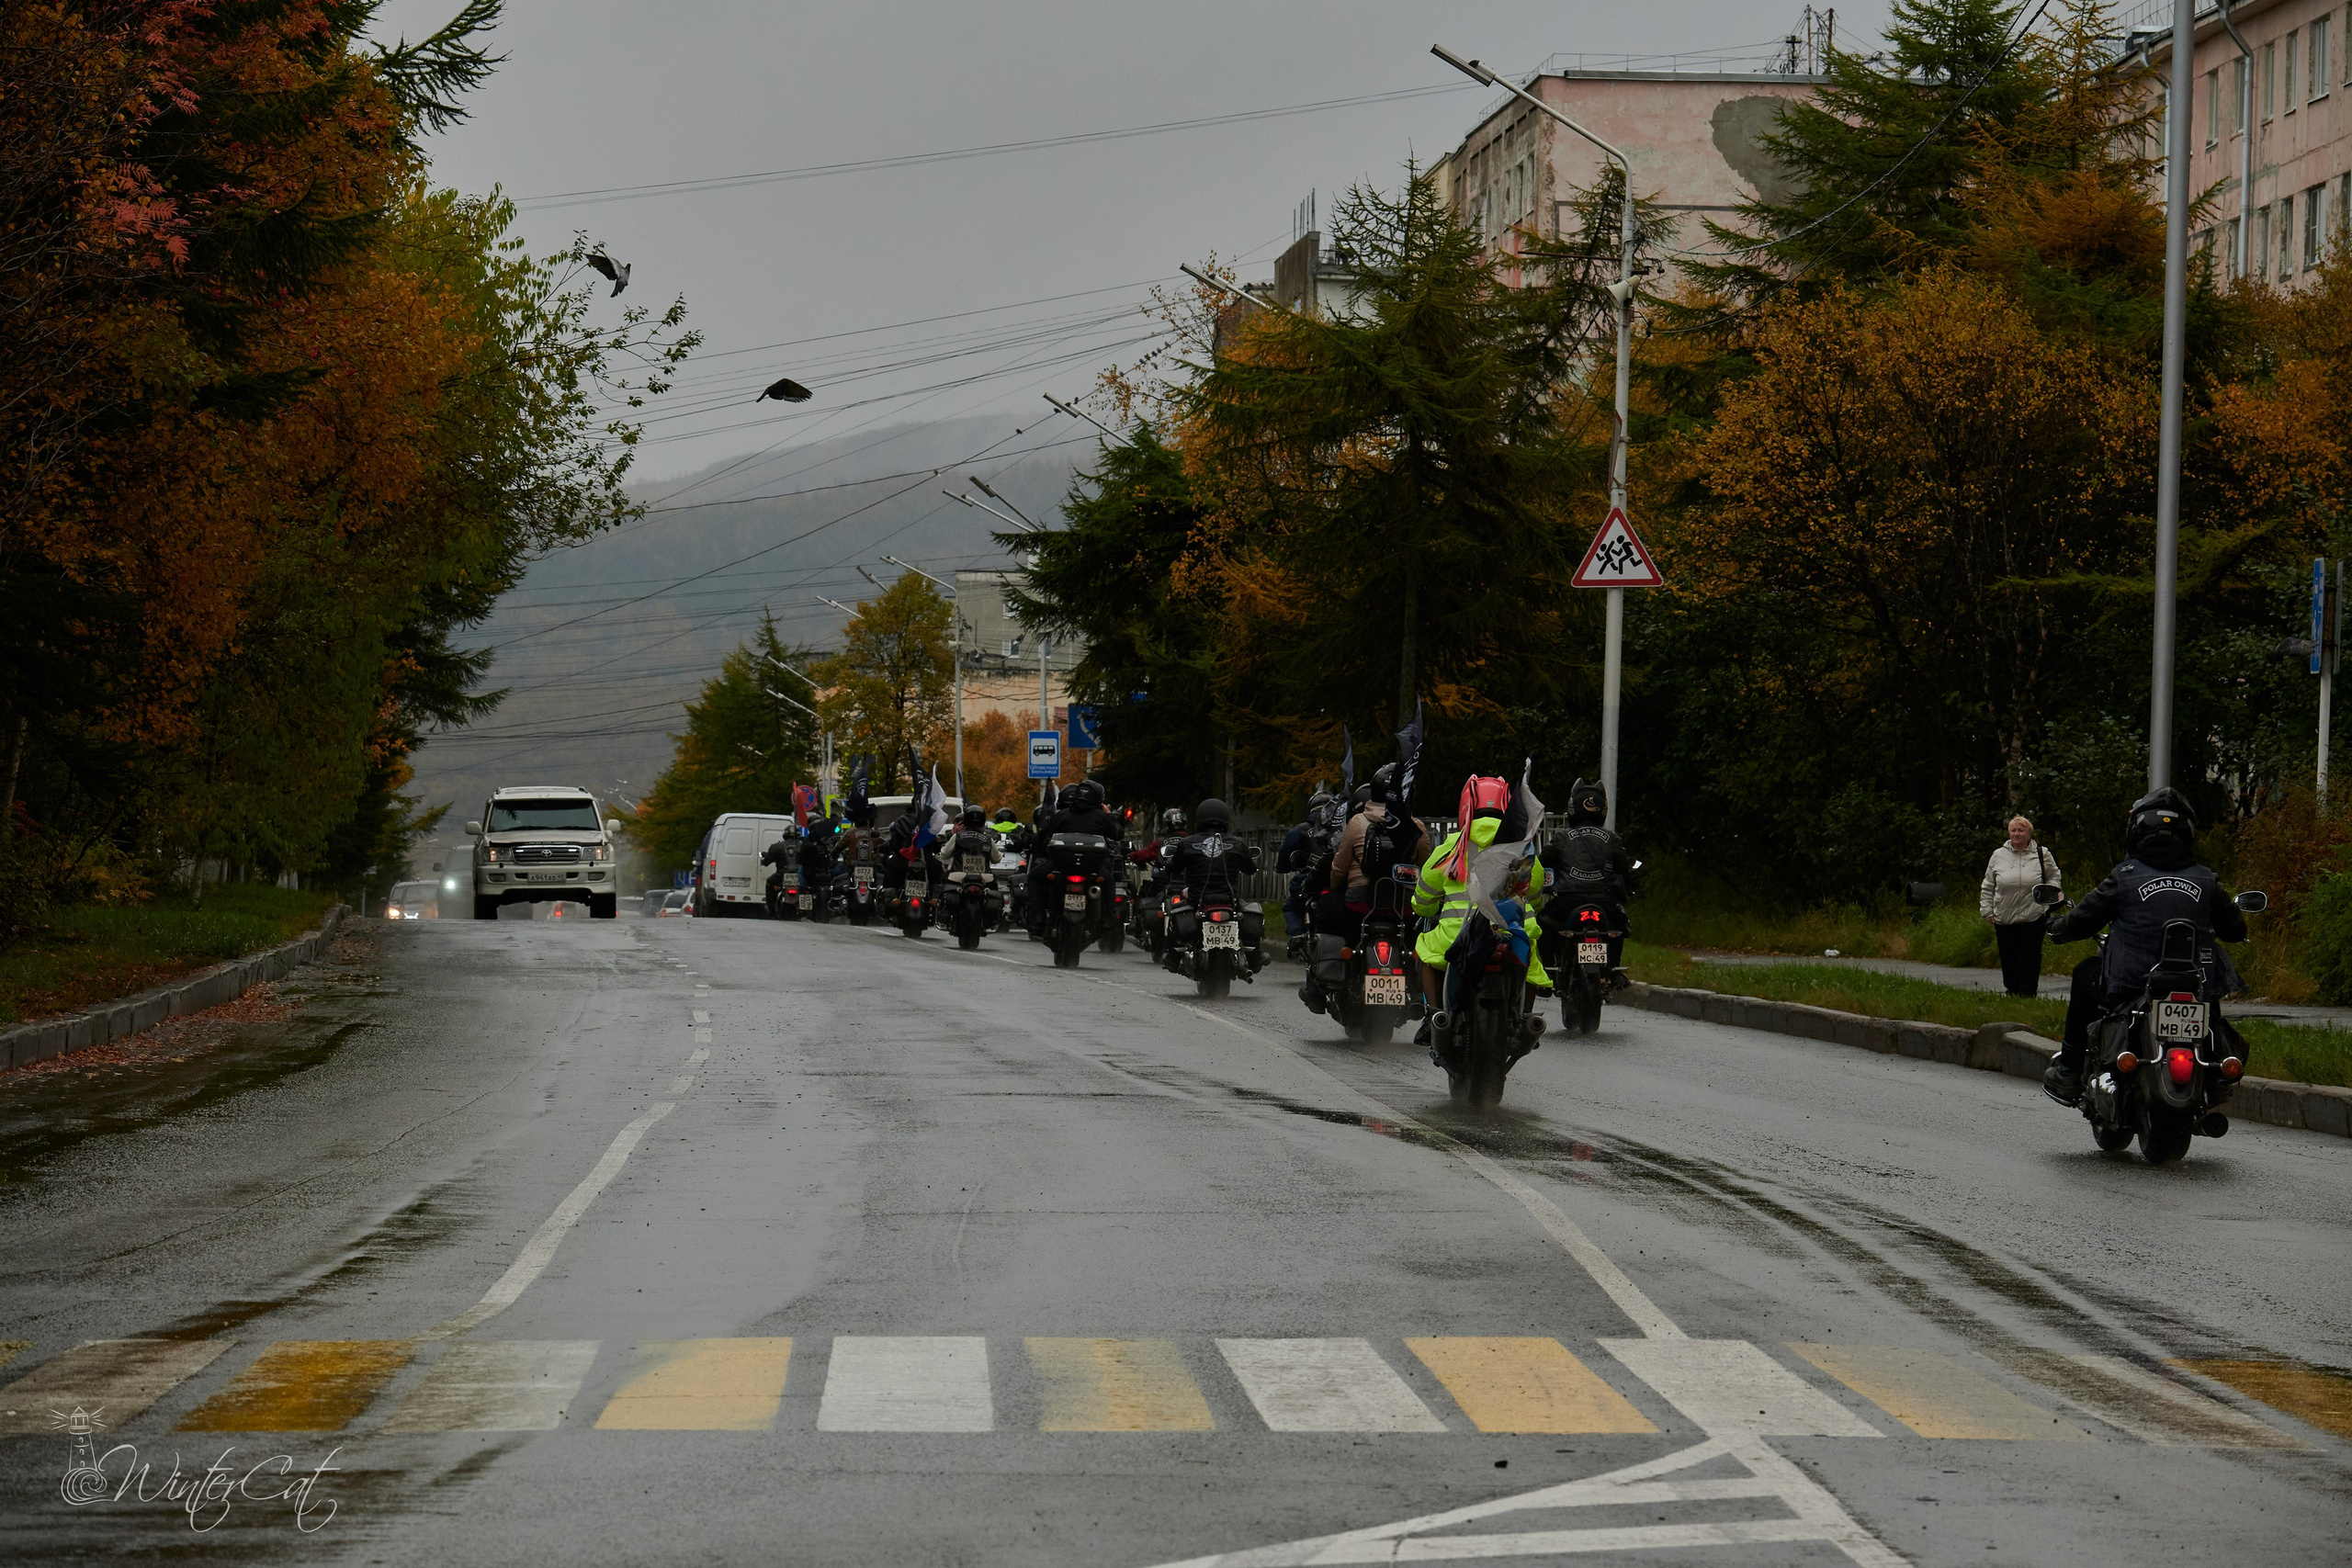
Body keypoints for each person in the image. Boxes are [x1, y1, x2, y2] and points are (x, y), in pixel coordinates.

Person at [2041, 787, 2248, 1106]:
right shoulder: (2207, 880)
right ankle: (2217, 1072)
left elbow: (2083, 918)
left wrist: (2056, 928)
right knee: (2208, 993)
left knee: (2085, 973)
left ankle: (2069, 1071)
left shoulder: (2125, 877)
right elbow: (2235, 930)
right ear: (2188, 832)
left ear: (2137, 830)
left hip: (2132, 982)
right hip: (2195, 981)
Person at [1411, 775, 1552, 1052]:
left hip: (1457, 937)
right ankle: (1525, 1021)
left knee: (1426, 951)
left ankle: (1434, 1017)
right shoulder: (1520, 846)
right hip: (1511, 932)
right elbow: (1535, 892)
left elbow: (1423, 899)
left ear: (1466, 807)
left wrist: (1425, 907)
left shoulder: (1451, 847)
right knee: (1531, 960)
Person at [1538, 778, 1635, 981]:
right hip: (1604, 901)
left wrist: (1542, 884)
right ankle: (1615, 971)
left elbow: (1541, 865)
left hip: (1567, 901)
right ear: (1602, 809)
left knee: (1543, 922)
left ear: (1573, 807)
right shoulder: (1612, 839)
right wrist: (1628, 889)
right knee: (1619, 926)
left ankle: (1549, 972)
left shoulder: (1562, 837)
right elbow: (1624, 872)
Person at [1980, 815, 2059, 998]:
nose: (2016, 834)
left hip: (2034, 914)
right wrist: (1987, 909)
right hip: (2004, 915)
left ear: (2028, 833)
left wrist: (2050, 893)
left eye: (2020, 830)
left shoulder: (2042, 853)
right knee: (2008, 956)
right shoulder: (1998, 855)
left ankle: (2028, 993)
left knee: (2030, 955)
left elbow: (2054, 875)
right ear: (2009, 833)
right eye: (2013, 830)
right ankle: (2012, 991)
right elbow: (1988, 884)